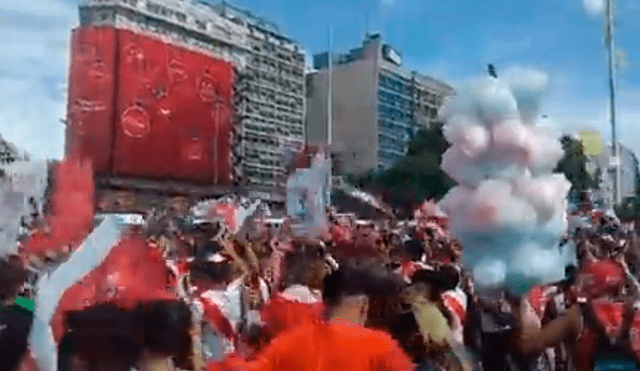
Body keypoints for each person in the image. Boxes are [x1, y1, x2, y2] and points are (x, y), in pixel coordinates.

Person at [206, 263, 413, 371]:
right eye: (388, 309)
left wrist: (237, 355)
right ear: (363, 306)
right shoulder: (381, 348)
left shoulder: (293, 341)